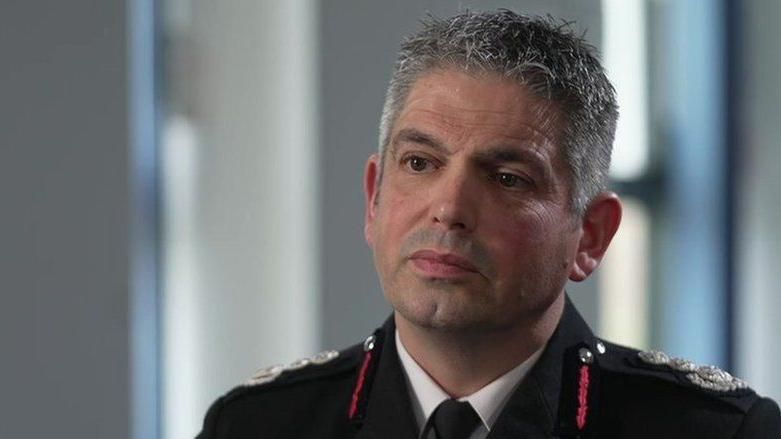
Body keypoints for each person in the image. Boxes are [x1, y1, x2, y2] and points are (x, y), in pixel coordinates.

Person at [197, 10, 781, 439]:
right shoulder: (255, 425)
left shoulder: (716, 433)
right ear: (375, 199)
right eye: (420, 164)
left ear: (590, 236)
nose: (448, 208)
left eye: (507, 178)